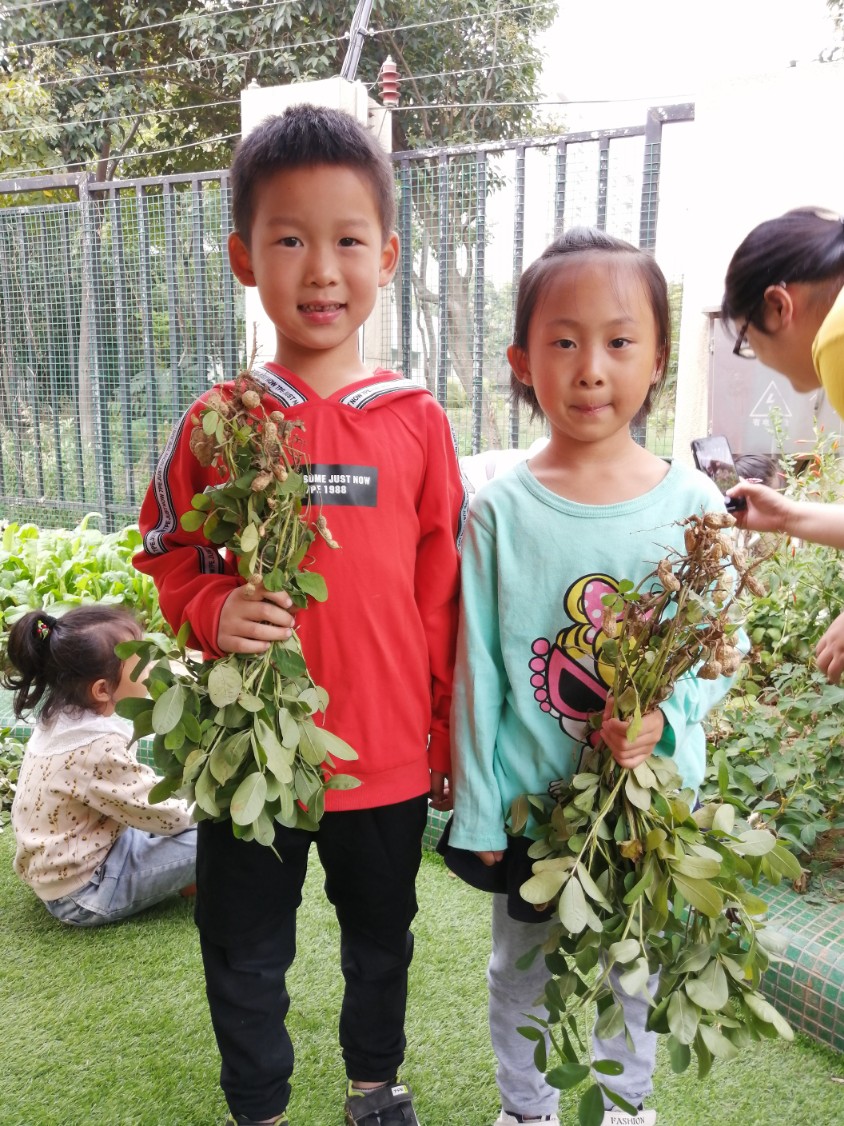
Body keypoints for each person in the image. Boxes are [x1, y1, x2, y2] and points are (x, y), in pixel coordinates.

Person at [133, 104, 465, 1126]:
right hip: (252, 760)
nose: (321, 269)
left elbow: (443, 590)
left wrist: (443, 726)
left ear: (387, 256)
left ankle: (375, 1088)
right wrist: (211, 604)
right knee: (242, 946)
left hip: (383, 759)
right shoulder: (217, 420)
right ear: (244, 256)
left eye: (348, 240)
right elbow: (166, 550)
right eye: (288, 240)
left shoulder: (416, 423)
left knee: (381, 941)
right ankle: (259, 1107)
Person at [447, 228, 738, 1126]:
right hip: (537, 812)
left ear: (658, 360)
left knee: (633, 966)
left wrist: (665, 715)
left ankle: (627, 1106)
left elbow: (719, 648)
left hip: (651, 808)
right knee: (521, 969)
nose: (591, 369)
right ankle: (526, 1109)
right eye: (564, 342)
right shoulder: (497, 512)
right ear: (522, 362)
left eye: (618, 341)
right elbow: (478, 670)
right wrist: (479, 808)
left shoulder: (694, 505)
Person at [2, 606, 197, 926]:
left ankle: (181, 872)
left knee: (175, 826)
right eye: (142, 662)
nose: (152, 668)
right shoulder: (94, 748)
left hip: (77, 856)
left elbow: (133, 799)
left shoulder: (60, 719)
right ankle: (193, 873)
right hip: (83, 891)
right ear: (102, 689)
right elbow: (168, 816)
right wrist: (210, 806)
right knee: (212, 836)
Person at [723, 206, 844, 682]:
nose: (755, 357)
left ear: (778, 306)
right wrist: (788, 517)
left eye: (746, 339)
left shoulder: (836, 339)